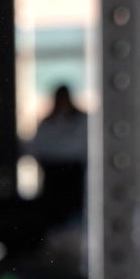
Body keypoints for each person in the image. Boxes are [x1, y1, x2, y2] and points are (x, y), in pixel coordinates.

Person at [29, 82, 89, 223]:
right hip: (53, 171)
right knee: (54, 209)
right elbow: (37, 146)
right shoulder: (47, 122)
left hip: (73, 170)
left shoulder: (81, 120)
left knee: (75, 206)